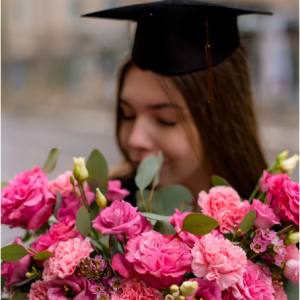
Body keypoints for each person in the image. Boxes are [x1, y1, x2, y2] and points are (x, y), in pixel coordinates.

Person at [83, 0, 272, 210]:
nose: (135, 139)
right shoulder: (104, 215)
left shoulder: (276, 229)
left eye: (165, 120)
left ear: (221, 121)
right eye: (127, 114)